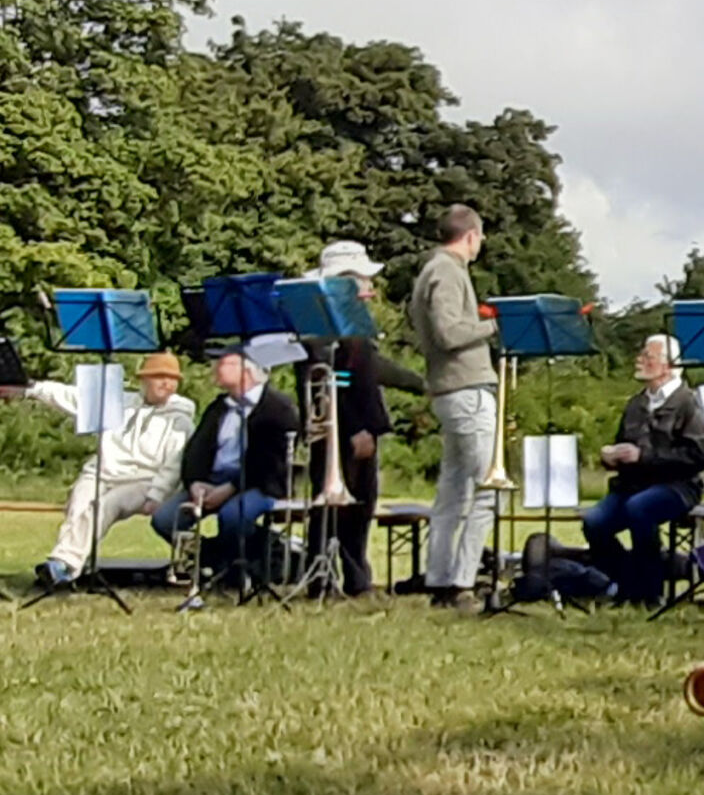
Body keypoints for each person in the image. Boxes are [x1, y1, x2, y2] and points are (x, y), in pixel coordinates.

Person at [3, 352, 194, 587]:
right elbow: (73, 397)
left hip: (144, 480)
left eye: (172, 379)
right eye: (159, 377)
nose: (166, 383)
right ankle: (68, 566)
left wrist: (157, 495)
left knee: (106, 505)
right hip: (102, 472)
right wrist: (29, 389)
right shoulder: (119, 402)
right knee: (79, 504)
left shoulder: (180, 420)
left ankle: (63, 564)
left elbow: (174, 464)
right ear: (143, 379)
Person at [309, 241, 426, 598]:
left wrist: (420, 384)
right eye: (362, 278)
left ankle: (349, 575)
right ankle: (338, 578)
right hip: (345, 428)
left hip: (345, 425)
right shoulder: (332, 326)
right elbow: (343, 381)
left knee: (357, 505)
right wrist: (359, 427)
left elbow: (372, 369)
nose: (369, 286)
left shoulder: (341, 322)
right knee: (350, 506)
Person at [407, 205, 498, 613]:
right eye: (480, 237)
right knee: (488, 490)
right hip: (465, 387)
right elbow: (448, 332)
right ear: (471, 236)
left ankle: (441, 579)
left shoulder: (433, 269)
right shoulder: (446, 271)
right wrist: (495, 325)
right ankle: (461, 581)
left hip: (450, 389)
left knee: (454, 492)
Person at [583, 333, 704, 605]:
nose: (639, 360)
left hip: (678, 486)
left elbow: (699, 455)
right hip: (632, 485)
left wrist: (643, 456)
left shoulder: (688, 403)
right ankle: (628, 583)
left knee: (639, 509)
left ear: (668, 365)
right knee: (594, 522)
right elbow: (623, 443)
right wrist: (611, 455)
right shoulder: (636, 403)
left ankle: (650, 592)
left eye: (647, 356)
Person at [151, 351, 300, 582]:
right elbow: (196, 450)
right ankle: (216, 559)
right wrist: (195, 482)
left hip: (259, 483)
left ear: (247, 370)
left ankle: (253, 556)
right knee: (165, 520)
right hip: (212, 481)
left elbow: (269, 464)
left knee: (232, 517)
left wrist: (230, 488)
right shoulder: (219, 407)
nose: (216, 368)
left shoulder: (278, 409)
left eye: (224, 363)